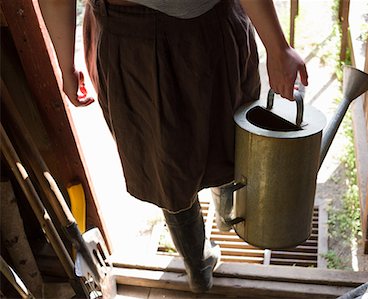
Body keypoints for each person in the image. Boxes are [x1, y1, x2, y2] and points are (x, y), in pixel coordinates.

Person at [38, 0, 308, 293]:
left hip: (147, 40)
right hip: (150, 38)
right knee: (205, 152)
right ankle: (208, 248)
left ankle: (203, 256)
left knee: (175, 163)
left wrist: (66, 65)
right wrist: (277, 46)